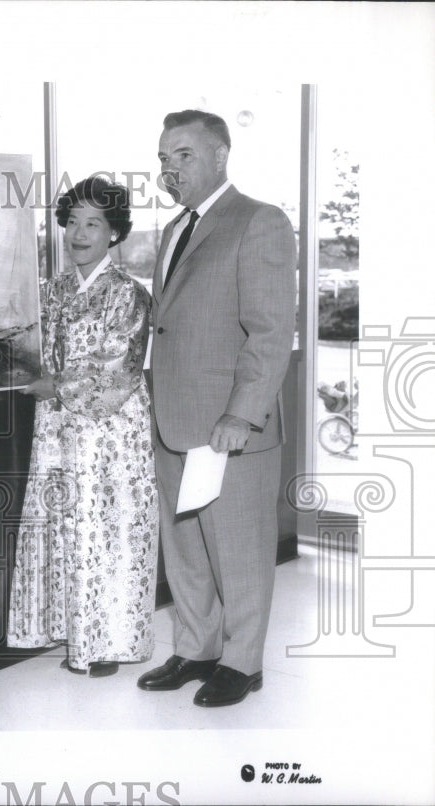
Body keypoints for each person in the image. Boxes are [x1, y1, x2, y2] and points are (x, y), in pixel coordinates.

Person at [137, 110, 296, 706]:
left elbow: (270, 332)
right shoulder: (174, 229)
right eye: (163, 158)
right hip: (173, 418)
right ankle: (196, 649)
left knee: (239, 548)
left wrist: (242, 413)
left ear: (221, 155)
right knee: (185, 548)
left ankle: (242, 663)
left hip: (229, 426)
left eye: (183, 154)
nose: (169, 168)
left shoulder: (259, 220)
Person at [7, 176, 159, 677]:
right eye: (73, 222)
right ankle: (72, 631)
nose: (79, 233)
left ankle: (107, 641)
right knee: (63, 521)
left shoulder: (128, 294)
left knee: (104, 525)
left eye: (93, 224)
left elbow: (119, 365)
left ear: (114, 232)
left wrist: (56, 385)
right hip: (57, 425)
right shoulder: (52, 291)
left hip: (110, 430)